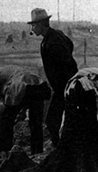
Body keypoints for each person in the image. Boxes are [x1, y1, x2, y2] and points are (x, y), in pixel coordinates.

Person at [0, 64, 51, 159]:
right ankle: (37, 153)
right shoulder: (7, 70)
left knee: (5, 120)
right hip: (40, 86)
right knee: (35, 122)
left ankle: (3, 154)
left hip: (21, 88)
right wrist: (21, 112)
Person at [28, 8, 78, 146]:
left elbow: (67, 63)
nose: (32, 28)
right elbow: (70, 44)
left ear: (40, 24)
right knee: (57, 121)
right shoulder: (54, 36)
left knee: (53, 122)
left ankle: (61, 150)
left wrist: (67, 83)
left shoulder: (53, 41)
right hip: (63, 87)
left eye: (33, 25)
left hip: (65, 87)